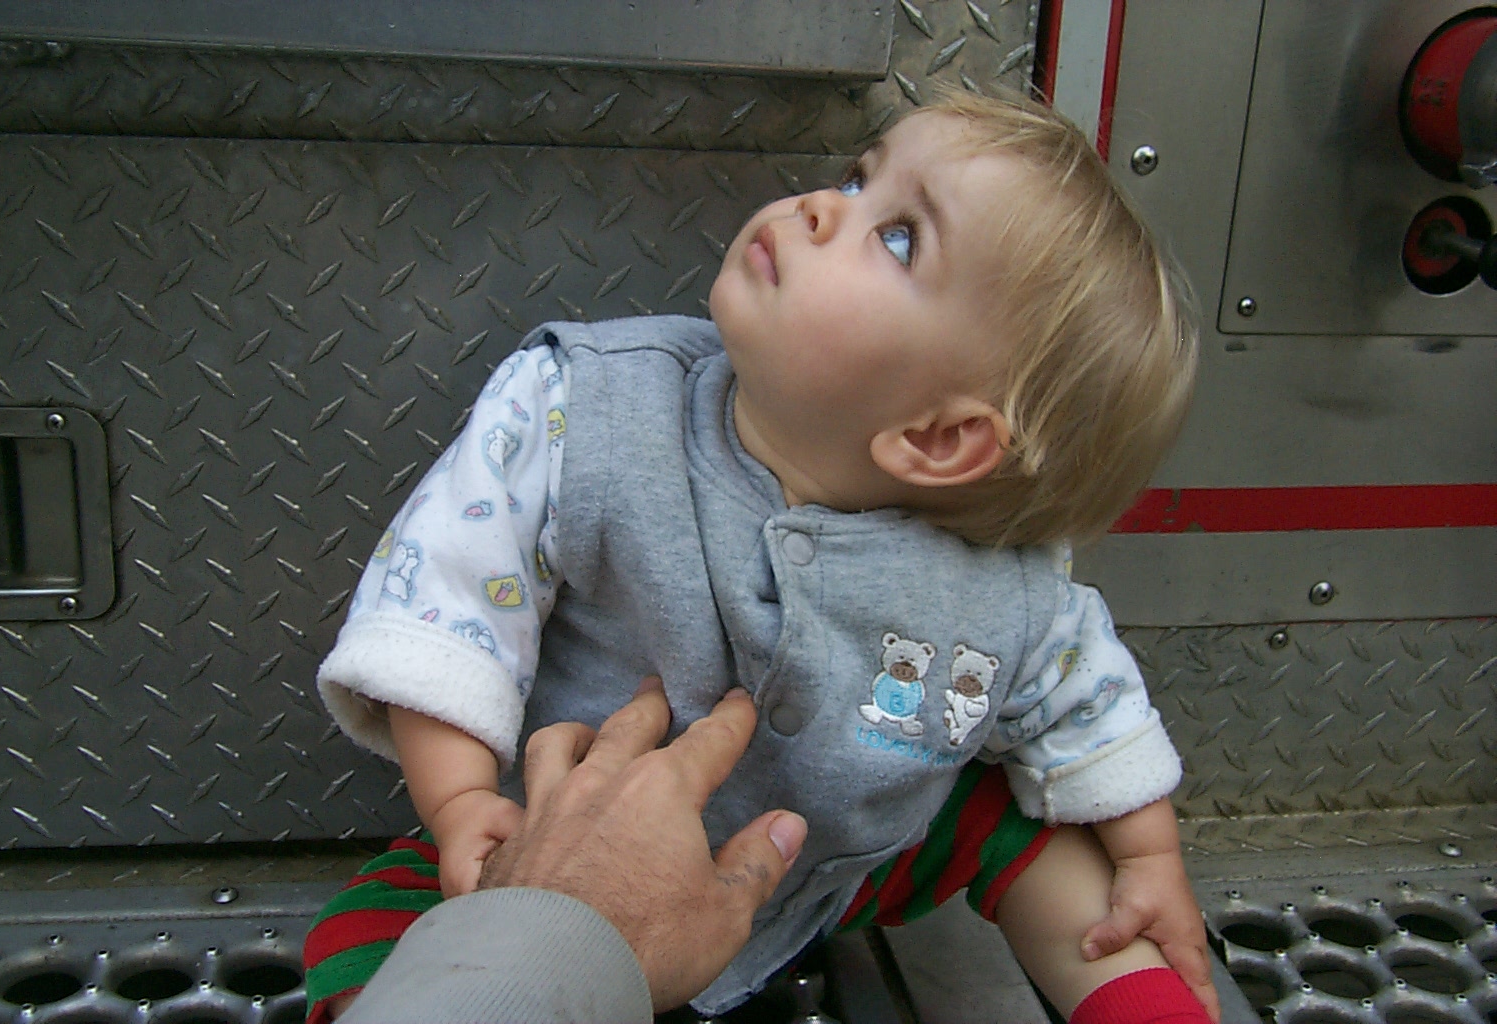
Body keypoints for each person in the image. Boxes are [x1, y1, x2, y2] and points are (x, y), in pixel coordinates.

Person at [308, 87, 1218, 1024]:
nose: (821, 206)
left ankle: (1145, 1005)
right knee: (368, 939)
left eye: (898, 236)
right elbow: (449, 603)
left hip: (832, 865)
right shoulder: (580, 408)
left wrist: (1149, 857)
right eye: (858, 178)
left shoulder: (1010, 589)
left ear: (939, 439)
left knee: (1025, 835)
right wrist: (462, 803)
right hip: (560, 844)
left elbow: (1091, 710)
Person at [332, 681, 809, 1023]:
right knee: (356, 933)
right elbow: (437, 623)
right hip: (519, 846)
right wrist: (460, 802)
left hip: (815, 878)